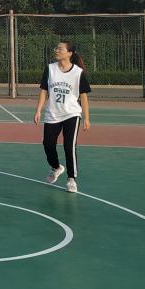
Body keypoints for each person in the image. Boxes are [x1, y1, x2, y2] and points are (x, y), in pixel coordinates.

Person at [33, 39, 91, 194]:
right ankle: (56, 167)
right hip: (53, 114)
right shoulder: (50, 69)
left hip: (71, 113)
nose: (56, 50)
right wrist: (38, 110)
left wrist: (86, 118)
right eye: (56, 48)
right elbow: (44, 91)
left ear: (69, 53)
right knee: (48, 144)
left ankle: (71, 179)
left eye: (60, 49)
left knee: (69, 146)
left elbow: (83, 96)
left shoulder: (78, 73)